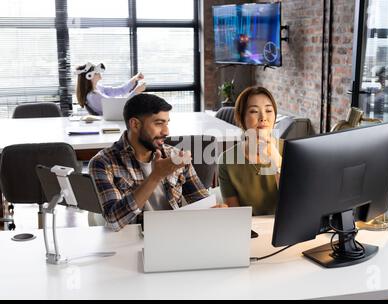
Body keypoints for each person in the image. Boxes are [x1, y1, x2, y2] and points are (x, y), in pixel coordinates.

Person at [89, 93, 225, 231]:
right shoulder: (103, 163)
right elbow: (114, 221)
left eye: (167, 123)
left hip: (174, 236)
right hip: (130, 241)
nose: (166, 131)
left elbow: (200, 201)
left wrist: (214, 210)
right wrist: (156, 176)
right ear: (135, 124)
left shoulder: (176, 156)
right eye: (159, 123)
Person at [218, 86, 282, 215]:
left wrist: (277, 163)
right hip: (249, 230)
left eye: (269, 110)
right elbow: (235, 215)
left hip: (284, 226)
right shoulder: (227, 160)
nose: (263, 117)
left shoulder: (292, 151)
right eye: (254, 111)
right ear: (241, 118)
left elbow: (296, 206)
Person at [75, 62, 146, 115]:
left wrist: (134, 78)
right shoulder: (93, 96)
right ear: (89, 76)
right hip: (111, 123)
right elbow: (121, 107)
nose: (99, 73)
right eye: (96, 72)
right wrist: (136, 91)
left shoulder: (97, 88)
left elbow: (120, 90)